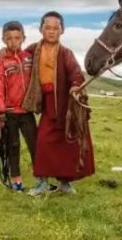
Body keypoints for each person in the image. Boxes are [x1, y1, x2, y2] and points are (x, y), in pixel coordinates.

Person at [23, 11, 95, 195]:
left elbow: (75, 73)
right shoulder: (32, 50)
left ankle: (65, 183)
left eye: (56, 28)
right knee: (43, 141)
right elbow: (18, 58)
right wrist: (4, 52)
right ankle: (42, 183)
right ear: (41, 29)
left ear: (62, 31)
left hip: (65, 103)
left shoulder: (65, 53)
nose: (51, 31)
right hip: (47, 103)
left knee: (68, 144)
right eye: (47, 27)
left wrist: (76, 86)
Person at [0, 20, 36, 191]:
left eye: (17, 38)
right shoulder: (1, 63)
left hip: (27, 111)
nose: (13, 42)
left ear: (23, 38)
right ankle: (16, 180)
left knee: (35, 145)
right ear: (3, 40)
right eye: (9, 38)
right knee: (12, 146)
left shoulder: (30, 57)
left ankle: (41, 179)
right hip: (9, 114)